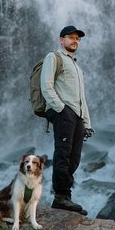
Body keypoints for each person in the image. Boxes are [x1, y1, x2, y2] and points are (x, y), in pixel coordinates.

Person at [40, 25, 94, 215]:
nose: (75, 41)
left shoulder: (77, 68)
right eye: (71, 37)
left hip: (77, 115)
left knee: (74, 156)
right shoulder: (53, 57)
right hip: (63, 111)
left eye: (77, 39)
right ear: (62, 40)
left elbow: (82, 98)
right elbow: (46, 86)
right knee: (63, 153)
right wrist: (61, 109)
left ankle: (63, 197)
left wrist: (87, 123)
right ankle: (62, 197)